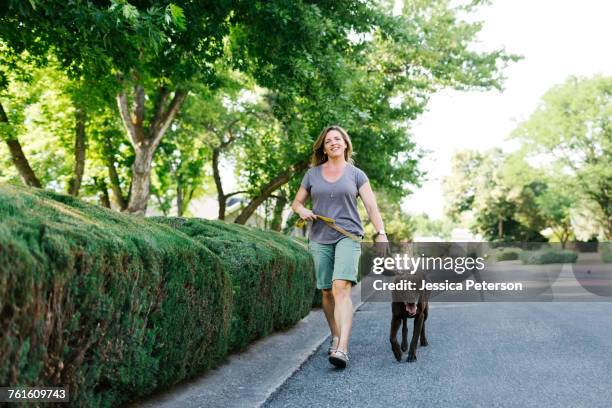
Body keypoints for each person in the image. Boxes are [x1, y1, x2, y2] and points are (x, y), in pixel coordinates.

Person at [291, 125, 388, 368]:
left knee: (340, 288)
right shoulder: (312, 175)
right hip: (320, 237)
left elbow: (372, 207)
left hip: (348, 235)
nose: (333, 142)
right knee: (326, 291)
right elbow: (297, 203)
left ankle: (342, 348)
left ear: (345, 144)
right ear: (323, 147)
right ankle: (334, 335)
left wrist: (381, 233)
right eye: (328, 141)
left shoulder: (357, 174)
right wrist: (303, 210)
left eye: (338, 139)